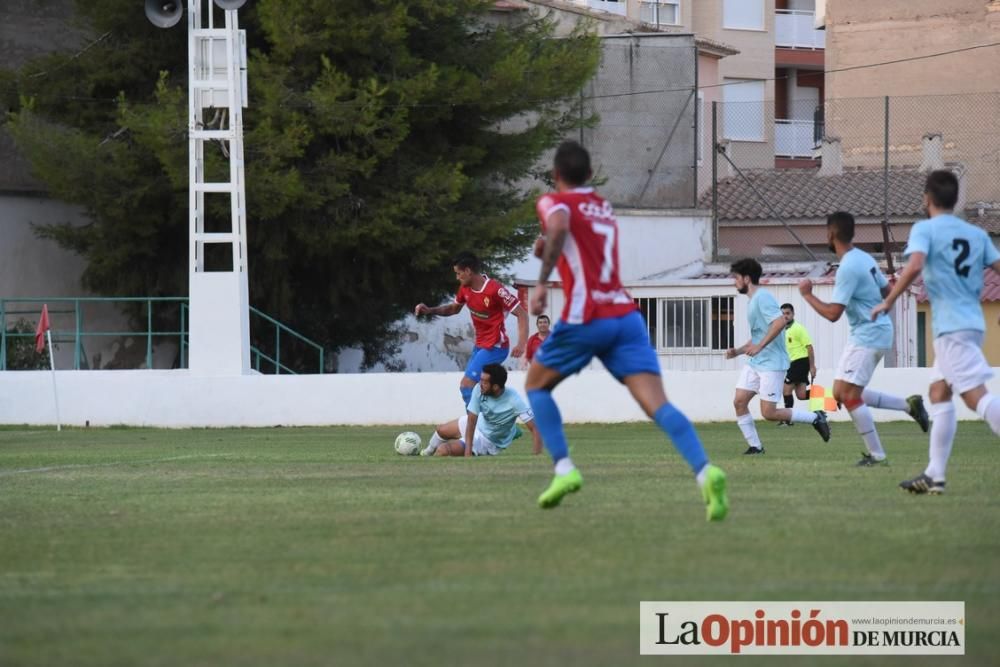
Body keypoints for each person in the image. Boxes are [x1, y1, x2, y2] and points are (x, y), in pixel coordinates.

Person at [524, 140, 728, 522]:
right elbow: (569, 243)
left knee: (536, 386)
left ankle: (564, 469)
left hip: (586, 317)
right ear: (589, 175)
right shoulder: (602, 207)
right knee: (658, 405)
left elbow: (560, 227)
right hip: (626, 317)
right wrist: (547, 248)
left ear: (556, 176)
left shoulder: (555, 203)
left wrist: (541, 283)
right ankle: (705, 471)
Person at [873, 170, 1000, 493]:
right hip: (971, 322)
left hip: (951, 327)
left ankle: (935, 474)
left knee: (976, 398)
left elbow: (914, 266)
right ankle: (935, 475)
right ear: (956, 200)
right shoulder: (975, 234)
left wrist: (888, 301)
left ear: (927, 198)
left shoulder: (925, 229)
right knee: (939, 392)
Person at [798, 212, 929, 467]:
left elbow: (833, 314)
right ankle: (909, 405)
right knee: (840, 392)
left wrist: (807, 295)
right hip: (871, 332)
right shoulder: (864, 258)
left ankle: (877, 455)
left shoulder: (847, 267)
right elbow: (888, 291)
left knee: (848, 396)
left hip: (868, 335)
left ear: (831, 234)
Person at [727, 258, 830, 454]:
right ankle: (756, 447)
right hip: (756, 362)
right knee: (739, 401)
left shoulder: (762, 297)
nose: (735, 282)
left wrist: (759, 346)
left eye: (737, 277)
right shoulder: (753, 301)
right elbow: (758, 336)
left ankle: (816, 418)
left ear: (747, 278)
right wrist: (738, 351)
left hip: (772, 364)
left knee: (769, 413)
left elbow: (779, 322)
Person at [415, 252, 528, 407]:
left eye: (458, 273)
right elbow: (453, 309)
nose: (457, 277)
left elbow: (522, 314)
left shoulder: (495, 290)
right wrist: (430, 310)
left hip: (496, 346)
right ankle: (499, 418)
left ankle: (478, 427)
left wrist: (521, 344)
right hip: (480, 345)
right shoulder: (465, 288)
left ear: (468, 271)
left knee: (466, 386)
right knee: (476, 389)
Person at [421, 364, 542, 457]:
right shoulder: (479, 389)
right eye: (481, 379)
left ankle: (509, 432)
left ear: (495, 387)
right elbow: (471, 421)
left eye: (484, 382)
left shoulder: (514, 400)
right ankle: (426, 453)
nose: (480, 383)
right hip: (479, 422)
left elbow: (535, 429)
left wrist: (536, 457)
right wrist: (467, 452)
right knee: (441, 430)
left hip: (487, 440)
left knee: (443, 450)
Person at [777, 303, 816, 426]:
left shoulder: (798, 328)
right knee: (801, 395)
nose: (785, 316)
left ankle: (787, 420)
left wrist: (812, 366)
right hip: (793, 364)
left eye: (788, 313)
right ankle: (832, 397)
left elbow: (809, 347)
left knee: (786, 390)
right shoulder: (782, 330)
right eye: (783, 314)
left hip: (800, 362)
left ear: (793, 314)